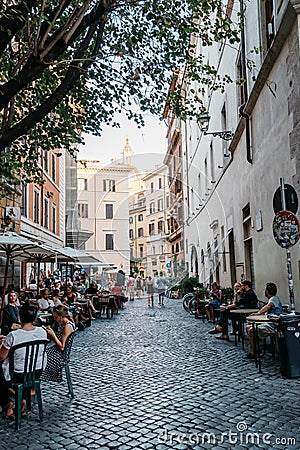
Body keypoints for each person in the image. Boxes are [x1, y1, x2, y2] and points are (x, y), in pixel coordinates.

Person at [0, 302, 47, 418]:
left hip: (17, 374)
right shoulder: (42, 332)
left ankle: (6, 402)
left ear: (19, 317)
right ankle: (24, 398)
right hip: (36, 372)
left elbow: (1, 356)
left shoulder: (13, 335)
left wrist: (3, 343)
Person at [244, 282, 282, 360]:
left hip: (272, 325)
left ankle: (253, 353)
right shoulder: (272, 299)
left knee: (251, 330)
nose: (264, 291)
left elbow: (268, 306)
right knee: (248, 327)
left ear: (267, 291)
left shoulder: (274, 299)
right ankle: (257, 349)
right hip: (268, 323)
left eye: (265, 289)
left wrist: (258, 313)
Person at [41, 305, 76, 382]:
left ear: (61, 316)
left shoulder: (67, 326)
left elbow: (62, 347)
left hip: (60, 355)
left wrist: (52, 334)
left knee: (40, 358)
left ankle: (35, 381)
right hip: (58, 351)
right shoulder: (65, 324)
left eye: (56, 317)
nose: (54, 319)